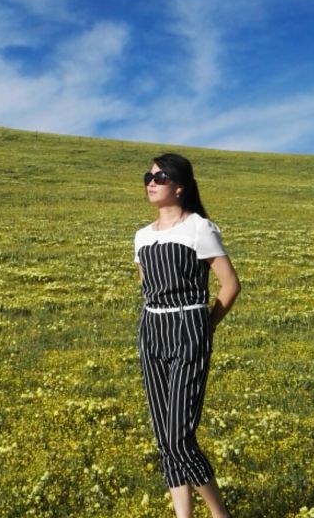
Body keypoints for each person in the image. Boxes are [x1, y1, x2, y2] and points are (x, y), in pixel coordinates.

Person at [134, 153, 241, 518]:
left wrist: (205, 326)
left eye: (160, 177)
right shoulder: (142, 236)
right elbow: (147, 287)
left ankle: (220, 514)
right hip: (152, 331)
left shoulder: (199, 228)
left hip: (188, 328)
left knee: (179, 438)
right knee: (165, 438)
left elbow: (230, 285)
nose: (151, 183)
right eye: (148, 177)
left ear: (179, 187)